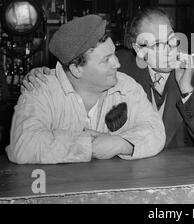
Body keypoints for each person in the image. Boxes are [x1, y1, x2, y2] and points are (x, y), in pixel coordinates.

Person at [22, 8, 194, 148]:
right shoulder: (118, 65)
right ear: (139, 49)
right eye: (158, 44)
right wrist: (43, 76)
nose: (170, 50)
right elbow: (77, 70)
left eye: (172, 40)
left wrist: (187, 91)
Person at [6, 15, 165, 164]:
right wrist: (88, 146)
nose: (117, 64)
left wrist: (123, 144)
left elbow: (155, 130)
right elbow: (23, 144)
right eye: (106, 60)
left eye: (114, 55)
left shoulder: (126, 86)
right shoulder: (40, 89)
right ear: (76, 69)